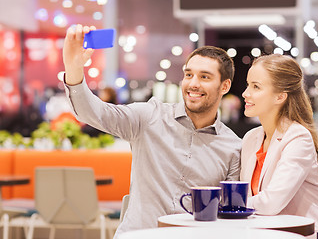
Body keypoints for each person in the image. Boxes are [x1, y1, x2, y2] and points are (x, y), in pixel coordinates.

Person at [62, 25, 241, 236]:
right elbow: (93, 112)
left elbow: (231, 214)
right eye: (189, 74)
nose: (193, 84)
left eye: (205, 77)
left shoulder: (233, 147)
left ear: (225, 86)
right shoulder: (149, 117)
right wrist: (73, 68)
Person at [240, 54, 318, 232]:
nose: (246, 93)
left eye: (256, 87)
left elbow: (270, 204)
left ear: (280, 97)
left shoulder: (298, 137)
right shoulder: (251, 138)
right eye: (247, 85)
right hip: (262, 234)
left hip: (299, 235)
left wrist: (227, 202)